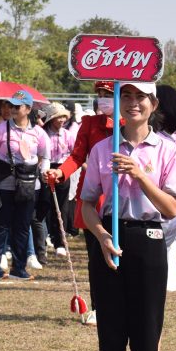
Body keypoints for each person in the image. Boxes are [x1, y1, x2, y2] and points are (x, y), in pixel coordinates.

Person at [80, 81, 176, 351]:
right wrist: (101, 236)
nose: (133, 103)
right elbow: (88, 203)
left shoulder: (167, 150)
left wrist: (140, 175)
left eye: (140, 97)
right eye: (126, 96)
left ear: (153, 104)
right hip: (110, 241)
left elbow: (171, 208)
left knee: (145, 338)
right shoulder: (101, 149)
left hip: (150, 242)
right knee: (110, 339)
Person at [45, 81, 118, 325]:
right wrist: (60, 172)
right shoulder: (89, 123)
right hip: (93, 197)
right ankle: (98, 307)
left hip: (124, 196)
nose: (103, 98)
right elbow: (77, 156)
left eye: (108, 94)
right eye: (100, 94)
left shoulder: (131, 123)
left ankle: (122, 306)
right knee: (96, 257)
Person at [0, 90, 50, 280]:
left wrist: (42, 172)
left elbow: (45, 156)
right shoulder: (0, 130)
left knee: (22, 226)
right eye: (10, 105)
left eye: (17, 106)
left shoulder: (39, 132)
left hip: (30, 186)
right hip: (5, 185)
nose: (12, 109)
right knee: (0, 225)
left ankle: (19, 269)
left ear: (28, 109)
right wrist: (7, 168)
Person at [38, 102, 74, 258]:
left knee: (62, 207)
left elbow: (75, 154)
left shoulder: (68, 135)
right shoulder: (42, 134)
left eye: (64, 117)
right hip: (45, 170)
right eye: (58, 117)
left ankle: (60, 242)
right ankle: (43, 240)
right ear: (51, 119)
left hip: (62, 170)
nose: (62, 120)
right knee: (44, 205)